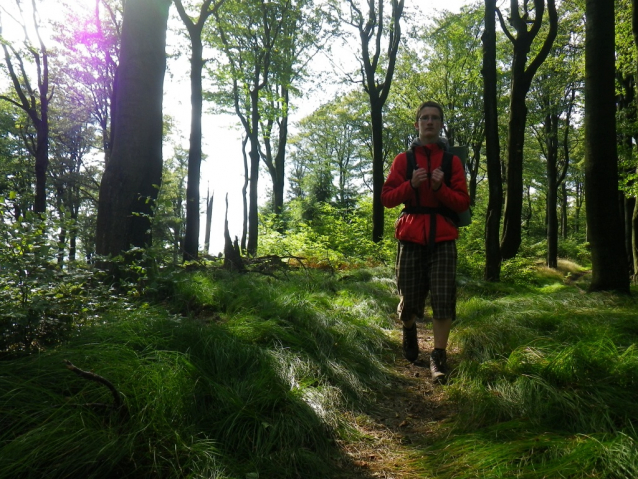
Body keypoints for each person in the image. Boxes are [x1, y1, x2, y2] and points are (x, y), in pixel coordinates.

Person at [381, 101, 470, 383]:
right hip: (410, 236)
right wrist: (412, 185)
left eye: (434, 118)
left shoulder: (452, 162)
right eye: (424, 118)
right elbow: (387, 199)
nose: (429, 122)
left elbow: (462, 202)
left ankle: (438, 356)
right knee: (408, 300)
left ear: (441, 124)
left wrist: (439, 188)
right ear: (417, 124)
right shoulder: (403, 161)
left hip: (443, 236)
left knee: (443, 299)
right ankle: (409, 330)